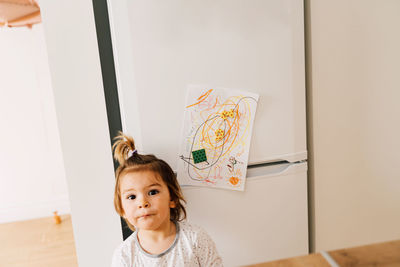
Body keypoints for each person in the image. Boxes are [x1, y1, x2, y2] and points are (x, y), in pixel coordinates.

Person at [111, 132, 223, 267]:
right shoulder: (124, 255)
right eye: (131, 197)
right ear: (122, 208)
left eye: (152, 192)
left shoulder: (196, 239)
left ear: (172, 198)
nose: (142, 203)